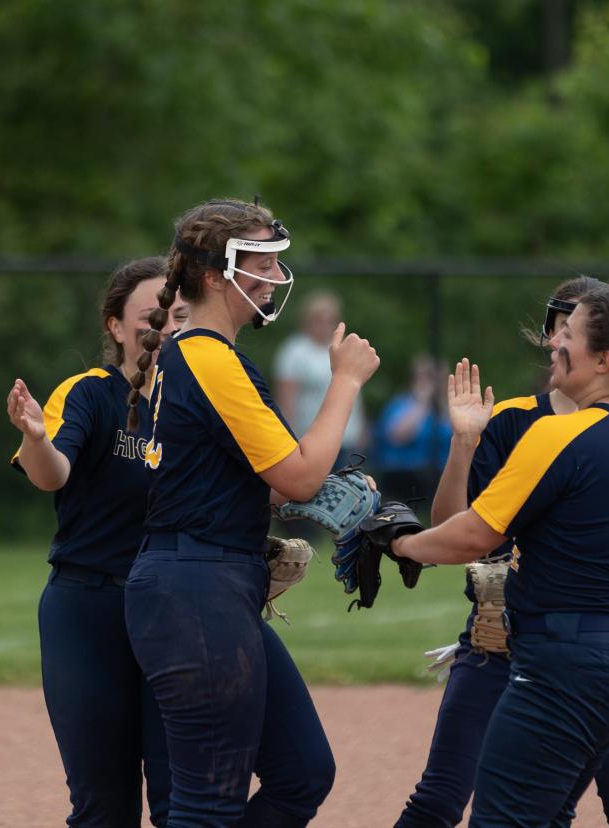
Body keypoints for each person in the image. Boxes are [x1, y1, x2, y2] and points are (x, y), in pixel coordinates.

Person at [389, 283, 609, 827]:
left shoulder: (562, 434)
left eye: (568, 336)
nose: (554, 344)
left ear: (605, 359)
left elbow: (473, 536)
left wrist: (398, 542)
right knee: (549, 815)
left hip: (563, 652)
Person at [123, 198, 379, 828]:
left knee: (301, 773)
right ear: (214, 275)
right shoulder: (206, 354)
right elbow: (296, 475)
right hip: (195, 587)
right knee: (208, 803)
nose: (272, 273)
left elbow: (262, 482)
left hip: (211, 582)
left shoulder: (210, 356)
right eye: (259, 259)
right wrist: (344, 382)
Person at [6, 255, 187, 827]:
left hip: (176, 609)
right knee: (103, 804)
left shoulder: (201, 400)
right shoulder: (90, 392)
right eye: (152, 312)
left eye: (178, 311)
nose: (166, 322)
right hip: (89, 606)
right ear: (114, 325)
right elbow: (51, 472)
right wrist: (36, 438)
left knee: (180, 800)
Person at [274, 290, 367, 458]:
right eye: (318, 319)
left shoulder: (342, 347)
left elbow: (355, 390)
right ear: (307, 320)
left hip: (347, 438)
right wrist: (289, 441)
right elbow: (286, 401)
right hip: (312, 440)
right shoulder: (294, 351)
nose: (324, 325)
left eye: (329, 320)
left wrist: (361, 429)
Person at [373, 353, 453, 502]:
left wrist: (442, 403)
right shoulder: (401, 404)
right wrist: (422, 401)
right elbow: (397, 435)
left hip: (441, 474)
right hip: (404, 475)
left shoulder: (446, 408)